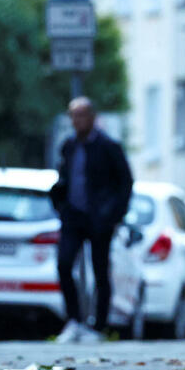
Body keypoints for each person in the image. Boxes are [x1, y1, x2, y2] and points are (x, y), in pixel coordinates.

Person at [49, 97, 133, 344]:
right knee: (64, 264)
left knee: (100, 271)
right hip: (73, 217)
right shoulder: (69, 146)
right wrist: (60, 203)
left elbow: (125, 182)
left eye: (82, 115)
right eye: (73, 116)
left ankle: (99, 326)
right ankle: (74, 320)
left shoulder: (108, 146)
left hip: (100, 219)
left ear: (92, 117)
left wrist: (114, 214)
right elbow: (64, 177)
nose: (77, 121)